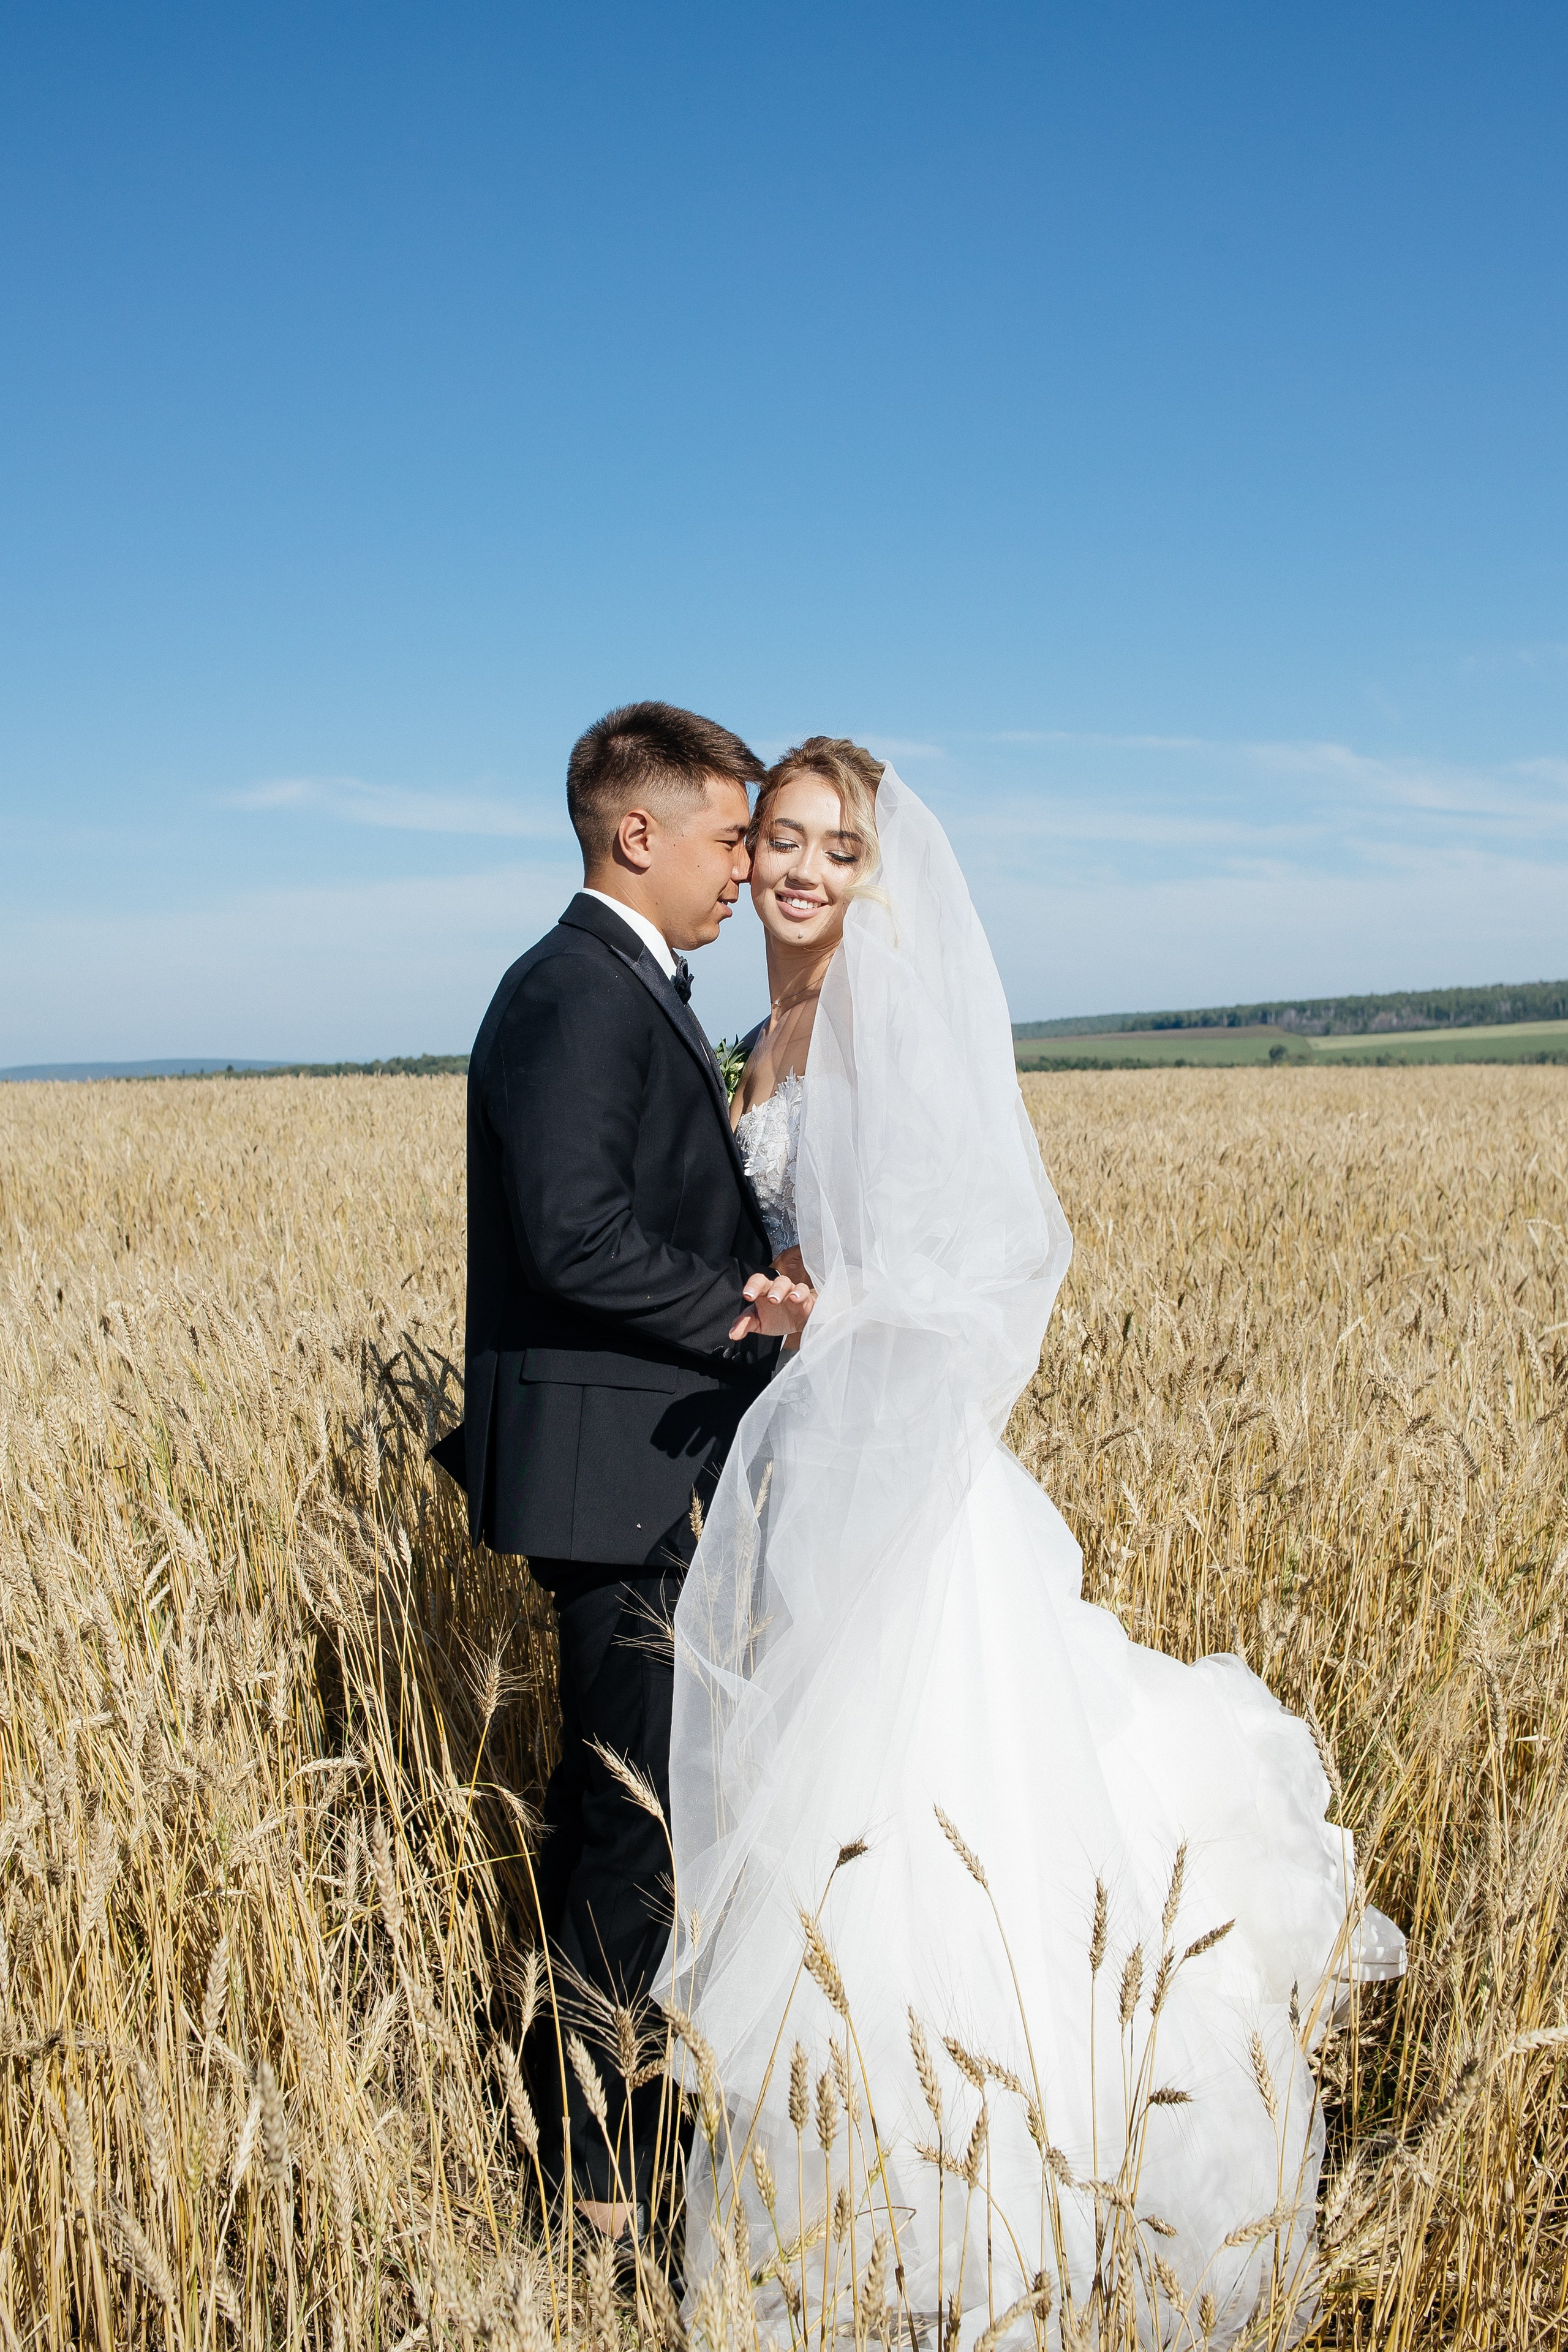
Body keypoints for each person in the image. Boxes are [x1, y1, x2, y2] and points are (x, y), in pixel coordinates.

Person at [664, 742, 1405, 2346]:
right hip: (808, 1470)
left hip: (902, 1482)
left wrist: (833, 1327)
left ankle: (984, 2219)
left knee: (922, 1808)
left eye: (833, 848)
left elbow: (988, 1259)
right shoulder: (756, 1030)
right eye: (777, 841)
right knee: (823, 1805)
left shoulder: (883, 1023)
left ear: (875, 874)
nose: (798, 869)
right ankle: (850, 2206)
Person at [434, 701, 815, 2242]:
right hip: (615, 1480)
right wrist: (751, 1313)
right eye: (730, 835)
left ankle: (609, 2130)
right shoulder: (573, 993)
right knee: (630, 1826)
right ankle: (588, 2178)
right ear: (634, 834)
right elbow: (572, 1232)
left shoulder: (624, 982)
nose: (745, 867)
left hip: (640, 1472)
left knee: (634, 1812)